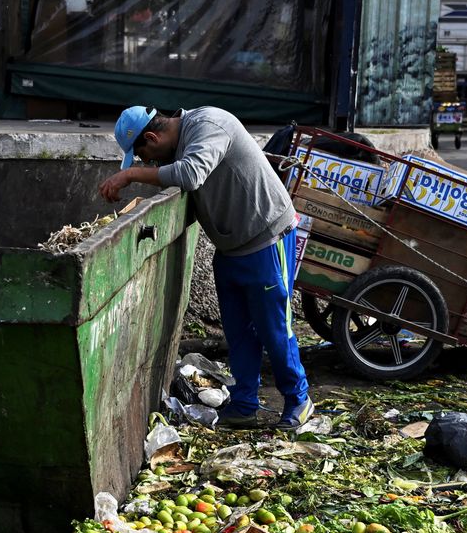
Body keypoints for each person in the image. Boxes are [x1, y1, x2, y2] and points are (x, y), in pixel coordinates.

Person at [99, 105, 313, 431]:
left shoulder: (208, 125)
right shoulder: (181, 143)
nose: (148, 164)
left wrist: (129, 175)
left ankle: (299, 400)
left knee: (273, 328)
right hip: (230, 248)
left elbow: (190, 174)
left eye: (144, 156)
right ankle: (244, 405)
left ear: (154, 137)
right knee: (238, 333)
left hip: (266, 238)